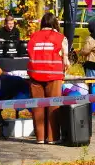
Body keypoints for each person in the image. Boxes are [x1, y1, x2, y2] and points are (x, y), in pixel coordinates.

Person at [27, 13, 68, 144]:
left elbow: (29, 53)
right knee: (53, 106)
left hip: (35, 75)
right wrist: (65, 70)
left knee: (37, 106)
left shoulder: (33, 37)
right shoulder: (61, 38)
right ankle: (52, 138)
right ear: (55, 23)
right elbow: (65, 59)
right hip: (53, 75)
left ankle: (39, 137)